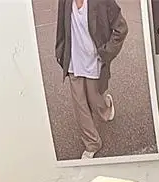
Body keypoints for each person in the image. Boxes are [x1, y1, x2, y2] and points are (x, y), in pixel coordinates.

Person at [55, 0, 128, 159]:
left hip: (95, 61)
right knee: (80, 106)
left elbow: (121, 28)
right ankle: (92, 143)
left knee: (95, 101)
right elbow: (61, 26)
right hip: (74, 61)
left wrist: (107, 52)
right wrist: (60, 51)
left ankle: (106, 106)